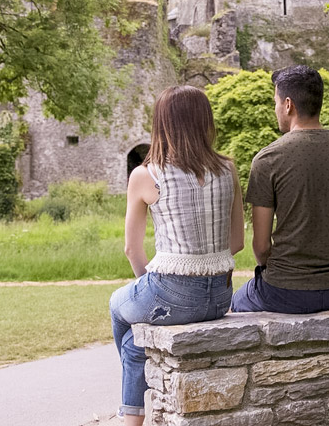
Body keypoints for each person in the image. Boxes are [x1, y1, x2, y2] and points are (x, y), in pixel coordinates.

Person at [109, 86, 246, 425]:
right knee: (133, 343)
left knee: (117, 306)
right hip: (219, 295)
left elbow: (132, 248)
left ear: (162, 124)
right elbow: (238, 241)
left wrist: (153, 291)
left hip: (170, 290)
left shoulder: (147, 174)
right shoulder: (228, 169)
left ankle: (131, 415)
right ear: (205, 122)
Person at [231, 65, 329, 315]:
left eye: (275, 102)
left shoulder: (267, 159)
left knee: (232, 305)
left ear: (288, 105)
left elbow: (261, 247)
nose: (275, 109)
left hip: (285, 292)